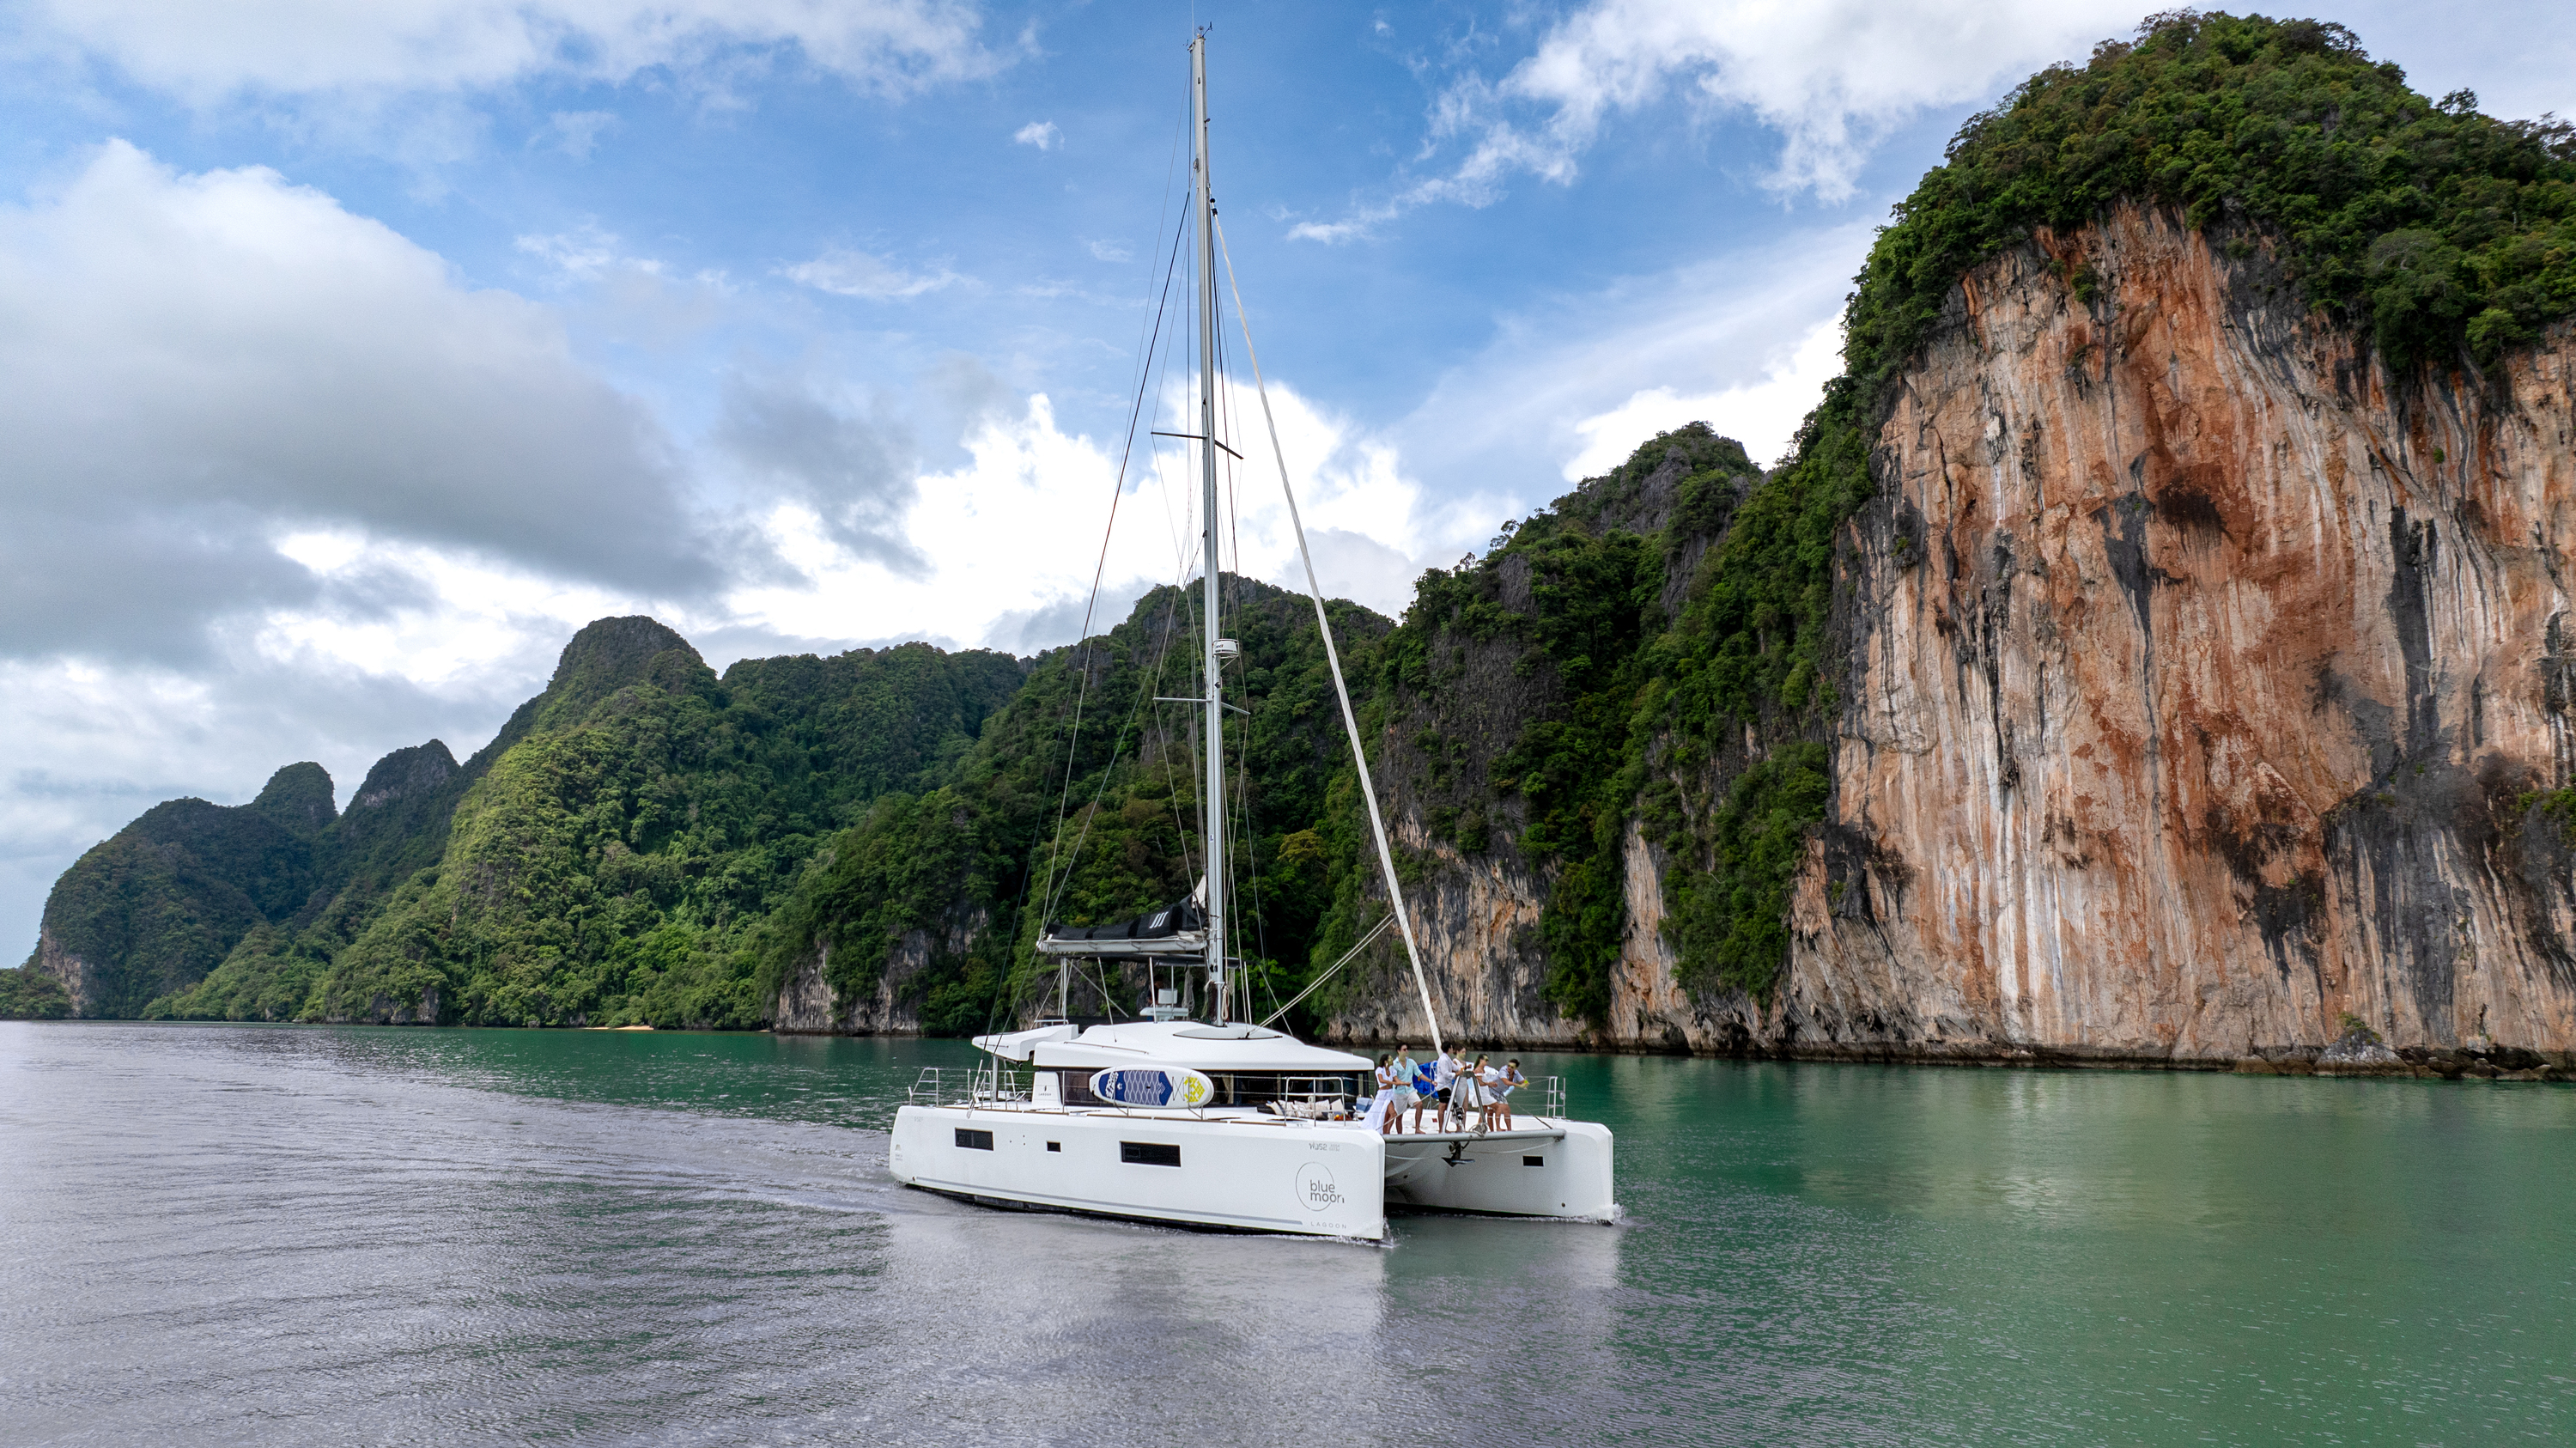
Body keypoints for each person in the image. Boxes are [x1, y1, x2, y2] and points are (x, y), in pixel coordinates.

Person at [1410, 1049, 1438, 1133]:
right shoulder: (1395, 1065)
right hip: (1399, 1091)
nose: (1407, 1051)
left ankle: (1417, 1129)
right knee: (1396, 1113)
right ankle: (1393, 1133)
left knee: (1419, 1104)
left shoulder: (1411, 1063)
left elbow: (1420, 1074)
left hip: (1410, 1090)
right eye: (1404, 1050)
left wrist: (1431, 1081)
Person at [1494, 1058, 1528, 1129]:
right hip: (1493, 1090)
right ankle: (1498, 1128)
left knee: (1506, 1109)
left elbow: (1523, 1080)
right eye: (1508, 1066)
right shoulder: (1503, 1070)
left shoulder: (1516, 1073)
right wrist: (1518, 1085)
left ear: (1515, 1068)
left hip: (1500, 1093)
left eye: (1512, 1067)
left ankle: (1509, 1129)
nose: (1509, 1068)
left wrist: (1526, 1083)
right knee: (1499, 1108)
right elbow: (1506, 1082)